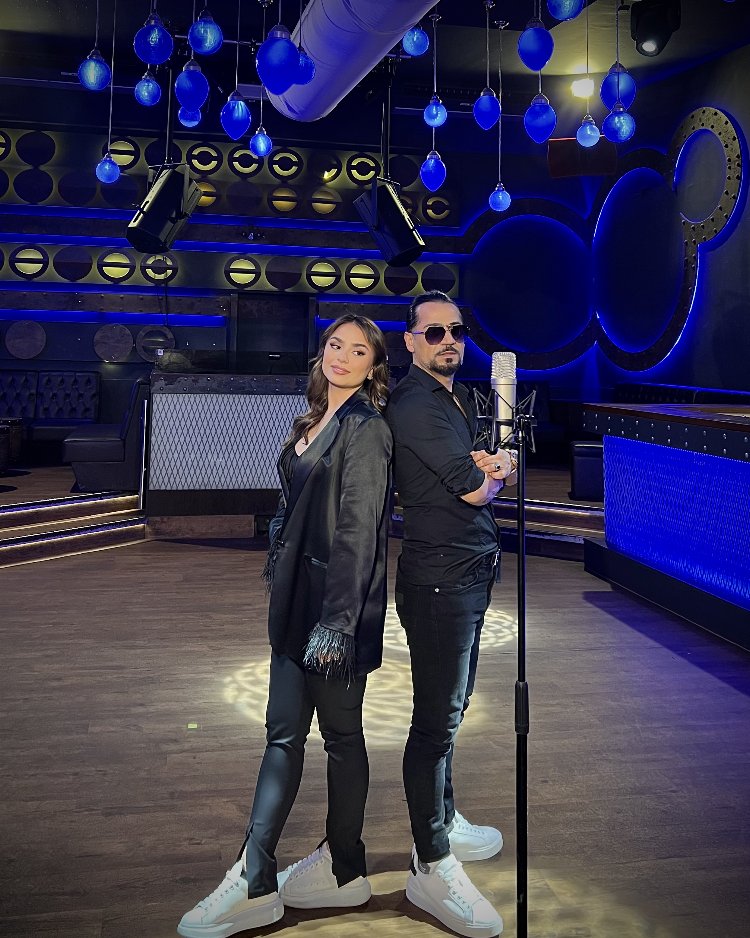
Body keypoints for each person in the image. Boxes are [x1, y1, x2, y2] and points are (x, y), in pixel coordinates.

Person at [178, 314, 392, 938]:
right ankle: (255, 876)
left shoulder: (368, 430)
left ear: (373, 367)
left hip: (335, 612)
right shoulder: (313, 420)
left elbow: (359, 533)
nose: (342, 357)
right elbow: (293, 507)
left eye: (358, 351)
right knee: (282, 736)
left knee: (342, 739)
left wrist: (338, 625)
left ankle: (345, 866)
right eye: (334, 345)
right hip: (296, 601)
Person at [385, 291, 516, 938]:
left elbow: (482, 470)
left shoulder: (454, 399)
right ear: (410, 341)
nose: (448, 341)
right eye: (433, 332)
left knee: (453, 709)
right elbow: (473, 488)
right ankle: (431, 859)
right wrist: (494, 475)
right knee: (436, 722)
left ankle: (443, 816)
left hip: (468, 571)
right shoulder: (415, 404)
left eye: (456, 331)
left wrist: (492, 468)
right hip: (440, 581)